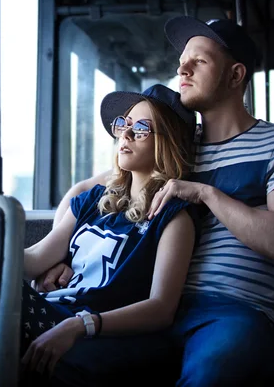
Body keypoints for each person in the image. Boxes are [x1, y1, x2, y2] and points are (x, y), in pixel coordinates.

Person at [37, 16, 274, 386]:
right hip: (153, 302)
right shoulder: (178, 150)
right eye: (182, 59)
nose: (182, 67)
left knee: (208, 375)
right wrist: (63, 256)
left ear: (236, 75)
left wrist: (204, 192)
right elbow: (84, 192)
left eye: (200, 60)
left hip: (235, 310)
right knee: (57, 361)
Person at [18, 84, 199, 385]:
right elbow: (33, 259)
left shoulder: (174, 218)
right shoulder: (94, 200)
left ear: (168, 143)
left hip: (83, 325)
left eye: (141, 128)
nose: (125, 135)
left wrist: (81, 325)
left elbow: (161, 308)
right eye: (123, 125)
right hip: (53, 307)